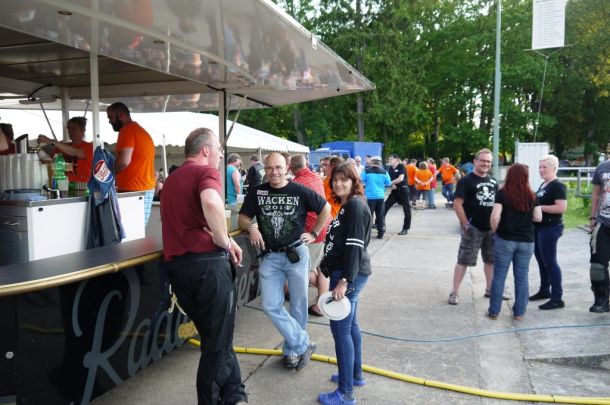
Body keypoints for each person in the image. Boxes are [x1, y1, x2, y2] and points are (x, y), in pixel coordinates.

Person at [160, 127, 247, 405]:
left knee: (216, 338)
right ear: (205, 150)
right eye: (219, 149)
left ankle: (235, 396)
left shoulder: (171, 180)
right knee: (217, 346)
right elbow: (211, 201)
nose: (221, 155)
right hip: (207, 268)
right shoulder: (205, 172)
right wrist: (225, 241)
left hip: (179, 271)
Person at [238, 152, 331, 370]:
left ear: (287, 168)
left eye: (278, 167)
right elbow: (243, 217)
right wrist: (252, 227)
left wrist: (314, 233)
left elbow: (325, 208)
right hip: (270, 256)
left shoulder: (298, 190)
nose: (274, 172)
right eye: (270, 168)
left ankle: (292, 351)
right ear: (265, 169)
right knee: (270, 305)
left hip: (296, 254)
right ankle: (304, 343)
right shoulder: (257, 191)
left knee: (298, 304)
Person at [317, 163, 372, 405]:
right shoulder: (349, 204)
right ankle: (354, 375)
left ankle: (345, 392)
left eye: (344, 179)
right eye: (335, 179)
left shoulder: (355, 206)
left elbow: (355, 246)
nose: (338, 183)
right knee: (351, 327)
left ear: (354, 181)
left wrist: (344, 281)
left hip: (349, 275)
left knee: (341, 332)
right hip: (348, 272)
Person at [486, 164, 542, 320]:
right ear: (526, 177)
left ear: (509, 176)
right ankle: (519, 313)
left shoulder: (502, 194)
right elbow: (538, 217)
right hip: (527, 241)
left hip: (505, 239)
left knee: (499, 276)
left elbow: (495, 217)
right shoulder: (532, 195)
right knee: (522, 277)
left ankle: (494, 311)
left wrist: (495, 231)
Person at [448, 149, 499, 305]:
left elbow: (497, 204)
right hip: (473, 227)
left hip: (490, 229)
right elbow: (457, 204)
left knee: (491, 260)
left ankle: (490, 290)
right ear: (475, 161)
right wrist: (466, 225)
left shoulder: (493, 181)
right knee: (463, 260)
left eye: (488, 161)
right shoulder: (466, 181)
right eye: (482, 160)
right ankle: (454, 292)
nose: (486, 164)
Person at [290, 154, 331, 317]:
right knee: (322, 267)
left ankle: (325, 299)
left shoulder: (296, 184)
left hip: (313, 230)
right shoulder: (315, 176)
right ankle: (323, 299)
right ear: (306, 164)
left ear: (290, 168)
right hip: (326, 225)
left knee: (305, 269)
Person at [106, 102, 156, 224]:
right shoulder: (139, 131)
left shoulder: (127, 131)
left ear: (121, 115)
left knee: (129, 230)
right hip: (143, 188)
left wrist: (106, 175)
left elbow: (123, 162)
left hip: (133, 190)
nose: (109, 122)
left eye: (111, 117)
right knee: (137, 229)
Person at [529, 155, 568, 310]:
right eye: (540, 167)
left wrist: (538, 208)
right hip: (539, 227)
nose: (541, 170)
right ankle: (545, 290)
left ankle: (557, 298)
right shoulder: (544, 184)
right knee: (541, 260)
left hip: (551, 228)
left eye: (544, 167)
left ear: (554, 168)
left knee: (550, 261)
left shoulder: (557, 185)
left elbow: (561, 208)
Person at [37, 116, 94, 184]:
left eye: (74, 129)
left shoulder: (89, 147)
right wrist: (41, 145)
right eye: (69, 129)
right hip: (63, 185)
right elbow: (48, 161)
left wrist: (52, 142)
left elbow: (75, 152)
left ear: (83, 130)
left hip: (81, 186)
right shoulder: (62, 147)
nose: (70, 132)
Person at [588, 157, 610, 313]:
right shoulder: (602, 167)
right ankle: (602, 300)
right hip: (603, 222)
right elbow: (596, 194)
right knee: (597, 266)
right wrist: (593, 217)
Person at [361, 156, 391, 239]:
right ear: (380, 163)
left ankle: (367, 234)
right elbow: (388, 183)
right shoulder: (384, 172)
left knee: (369, 215)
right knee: (380, 215)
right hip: (380, 196)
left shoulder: (366, 171)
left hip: (370, 197)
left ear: (372, 163)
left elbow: (360, 181)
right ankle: (381, 233)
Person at [383, 154, 411, 235]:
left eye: (391, 159)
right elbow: (390, 179)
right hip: (395, 191)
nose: (390, 160)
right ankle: (380, 225)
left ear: (396, 159)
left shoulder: (401, 166)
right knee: (384, 207)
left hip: (403, 190)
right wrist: (392, 185)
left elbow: (400, 178)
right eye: (389, 159)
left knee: (406, 209)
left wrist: (390, 183)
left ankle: (405, 228)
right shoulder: (390, 168)